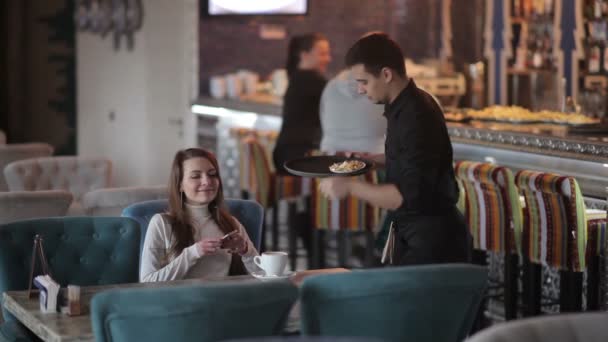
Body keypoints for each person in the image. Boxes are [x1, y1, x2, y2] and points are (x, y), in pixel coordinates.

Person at [319, 33, 471, 266]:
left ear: (386, 74)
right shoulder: (404, 105)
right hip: (414, 234)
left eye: (364, 82)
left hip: (432, 242)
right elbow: (409, 159)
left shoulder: (416, 115)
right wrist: (372, 161)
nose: (360, 90)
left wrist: (349, 186)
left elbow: (402, 196)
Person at [140, 148, 258, 282]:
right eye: (196, 176)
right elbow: (147, 283)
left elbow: (265, 276)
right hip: (179, 302)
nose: (207, 181)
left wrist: (246, 251)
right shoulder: (161, 223)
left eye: (212, 174)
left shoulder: (232, 223)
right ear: (180, 185)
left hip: (224, 300)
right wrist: (192, 253)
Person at [273, 32, 331, 173]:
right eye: (322, 54)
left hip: (286, 155)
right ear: (304, 55)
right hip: (298, 158)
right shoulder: (311, 81)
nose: (328, 59)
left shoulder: (298, 77)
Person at [320, 69, 386, 154]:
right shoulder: (381, 87)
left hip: (330, 156)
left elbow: (323, 119)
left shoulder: (330, 87)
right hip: (375, 158)